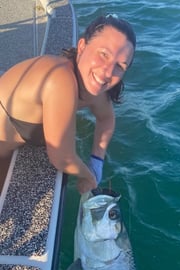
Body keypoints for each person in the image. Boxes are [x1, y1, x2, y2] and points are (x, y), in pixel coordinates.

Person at [0, 14, 136, 193]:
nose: (107, 72)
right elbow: (62, 158)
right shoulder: (60, 79)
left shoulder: (93, 86)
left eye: (120, 66)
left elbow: (106, 119)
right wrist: (88, 176)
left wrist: (97, 160)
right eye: (103, 54)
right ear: (81, 46)